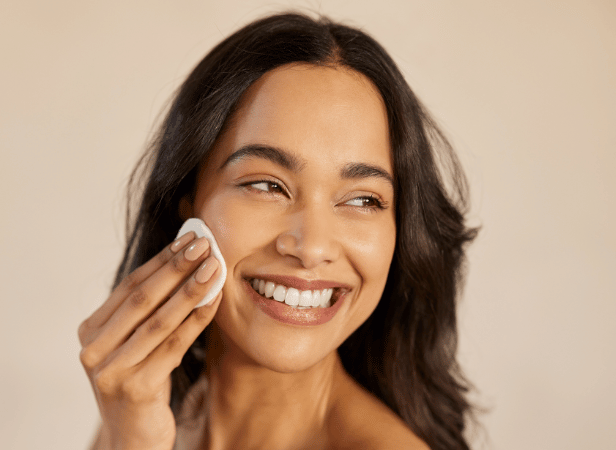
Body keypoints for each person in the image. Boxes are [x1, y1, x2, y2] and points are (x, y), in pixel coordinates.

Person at [78, 12, 476, 450]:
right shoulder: (151, 413)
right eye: (267, 185)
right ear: (186, 201)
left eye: (364, 199)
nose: (311, 247)